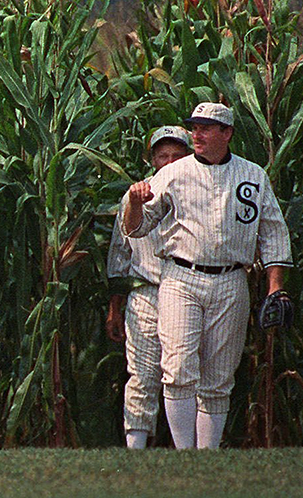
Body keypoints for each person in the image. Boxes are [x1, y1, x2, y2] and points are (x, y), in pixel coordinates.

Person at [122, 102, 291, 449]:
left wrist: (276, 288)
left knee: (218, 377)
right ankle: (186, 455)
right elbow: (137, 229)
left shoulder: (252, 175)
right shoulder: (173, 172)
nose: (196, 134)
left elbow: (273, 233)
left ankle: (207, 455)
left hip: (232, 279)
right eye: (194, 128)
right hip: (181, 276)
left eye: (205, 128)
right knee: (179, 368)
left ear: (226, 133)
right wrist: (135, 204)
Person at [106, 125, 191, 449]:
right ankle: (136, 447)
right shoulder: (134, 196)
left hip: (187, 289)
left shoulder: (198, 193)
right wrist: (115, 307)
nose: (169, 161)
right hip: (145, 292)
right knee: (141, 373)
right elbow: (119, 255)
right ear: (152, 158)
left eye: (176, 155)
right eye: (162, 155)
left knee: (183, 372)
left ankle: (189, 448)